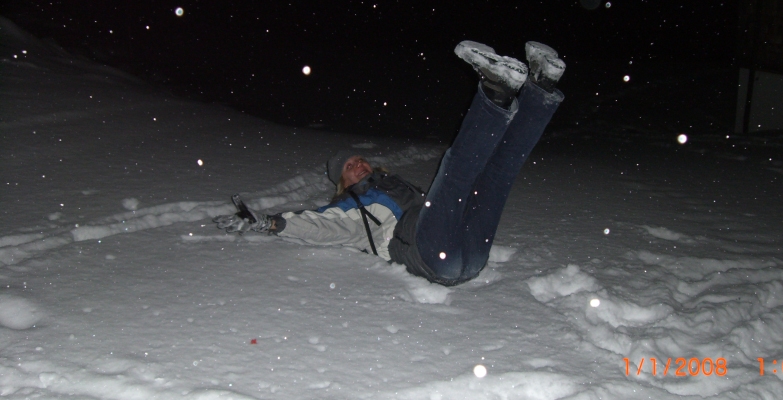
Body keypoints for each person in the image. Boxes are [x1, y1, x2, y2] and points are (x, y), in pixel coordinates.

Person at [214, 40, 565, 286]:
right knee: (456, 171)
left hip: (471, 256)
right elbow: (319, 227)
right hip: (433, 258)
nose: (359, 165)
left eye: (361, 160)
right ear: (342, 182)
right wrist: (271, 223)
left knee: (497, 177)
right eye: (350, 166)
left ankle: (541, 87)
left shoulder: (396, 186)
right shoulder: (353, 206)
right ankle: (497, 91)